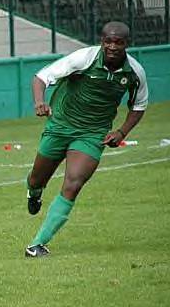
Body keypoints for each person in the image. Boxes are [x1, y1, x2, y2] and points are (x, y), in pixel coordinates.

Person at [24, 21, 148, 257]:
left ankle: (37, 243)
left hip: (93, 134)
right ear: (102, 41)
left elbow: (139, 105)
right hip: (60, 125)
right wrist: (40, 101)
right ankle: (34, 191)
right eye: (108, 41)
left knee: (73, 183)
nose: (112, 46)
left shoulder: (135, 72)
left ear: (126, 44)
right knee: (37, 178)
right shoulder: (83, 58)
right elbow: (41, 77)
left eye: (118, 42)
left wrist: (121, 132)